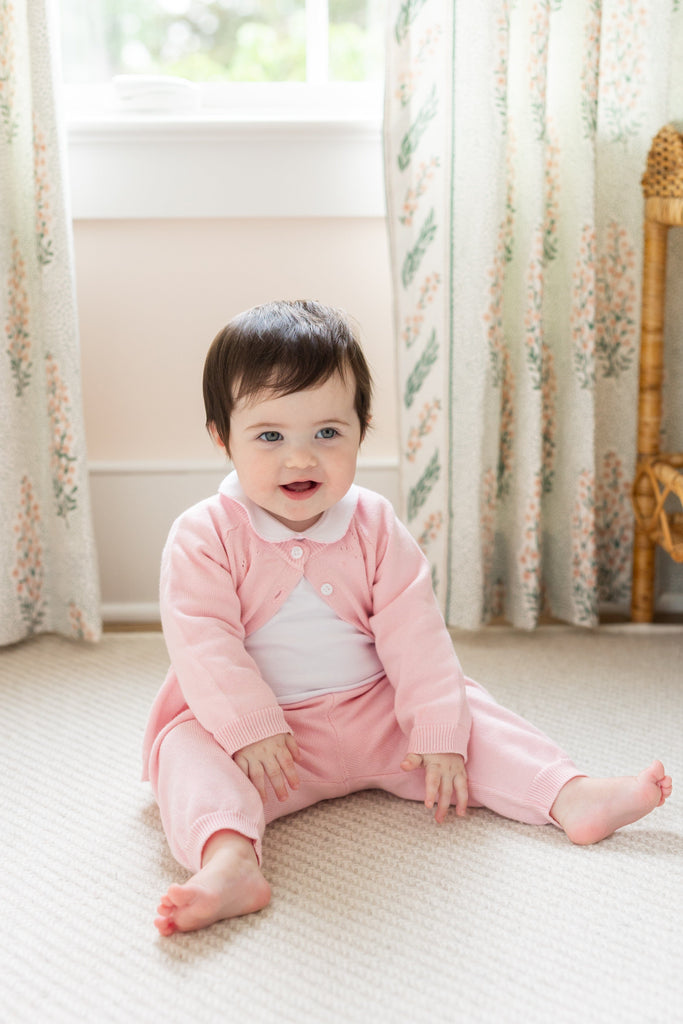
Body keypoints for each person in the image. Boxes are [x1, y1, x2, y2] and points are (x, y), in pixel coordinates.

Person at [143, 299, 672, 937]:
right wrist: (250, 727)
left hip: (381, 719)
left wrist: (437, 731)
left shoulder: (373, 524)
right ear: (222, 436)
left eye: (328, 433)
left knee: (468, 711)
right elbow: (204, 642)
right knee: (184, 749)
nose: (301, 458)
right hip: (269, 748)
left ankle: (567, 794)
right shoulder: (204, 534)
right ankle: (228, 861)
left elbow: (415, 633)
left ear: (363, 428)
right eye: (270, 436)